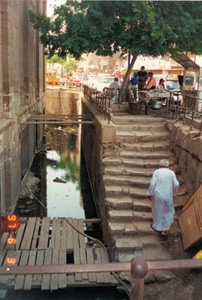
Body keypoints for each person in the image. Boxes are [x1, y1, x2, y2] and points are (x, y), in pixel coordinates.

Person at [148, 159, 179, 236]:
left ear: (160, 165)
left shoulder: (157, 172)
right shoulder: (171, 173)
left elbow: (152, 184)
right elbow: (176, 184)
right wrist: (174, 193)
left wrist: (150, 193)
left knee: (158, 210)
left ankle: (157, 227)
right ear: (168, 165)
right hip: (168, 195)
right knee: (167, 211)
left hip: (158, 195)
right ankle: (164, 230)